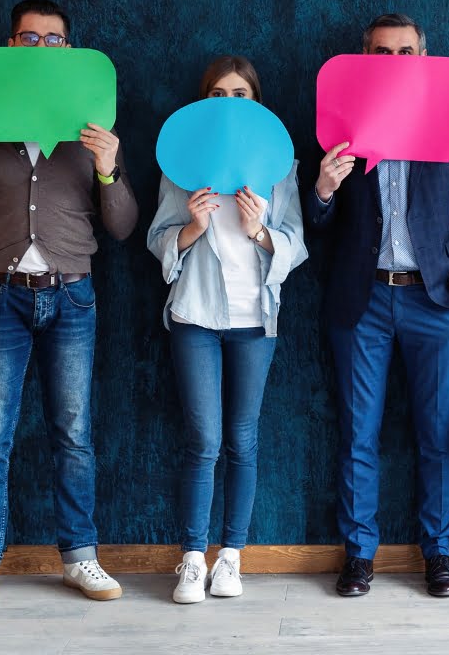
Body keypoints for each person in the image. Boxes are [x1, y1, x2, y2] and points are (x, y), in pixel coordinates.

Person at [0, 0, 137, 610]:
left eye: (54, 39)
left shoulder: (91, 127)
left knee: (73, 433)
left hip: (72, 296)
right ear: (10, 45)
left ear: (68, 49)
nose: (42, 47)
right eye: (29, 37)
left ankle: (80, 557)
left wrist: (108, 168)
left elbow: (122, 227)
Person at [303, 13, 449, 598]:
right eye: (381, 53)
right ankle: (359, 555)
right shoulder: (341, 125)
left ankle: (439, 554)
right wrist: (324, 189)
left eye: (405, 52)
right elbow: (317, 225)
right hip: (362, 303)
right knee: (358, 432)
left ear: (423, 56)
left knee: (437, 433)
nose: (393, 62)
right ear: (364, 57)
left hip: (437, 301)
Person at [147, 56, 307, 604]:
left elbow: (296, 244)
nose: (230, 102)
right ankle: (192, 557)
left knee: (243, 439)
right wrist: (191, 226)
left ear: (255, 103)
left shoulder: (281, 166)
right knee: (205, 440)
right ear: (203, 102)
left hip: (255, 321)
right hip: (195, 317)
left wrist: (260, 230)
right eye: (219, 93)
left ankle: (231, 557)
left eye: (241, 94)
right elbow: (157, 239)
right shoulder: (179, 164)